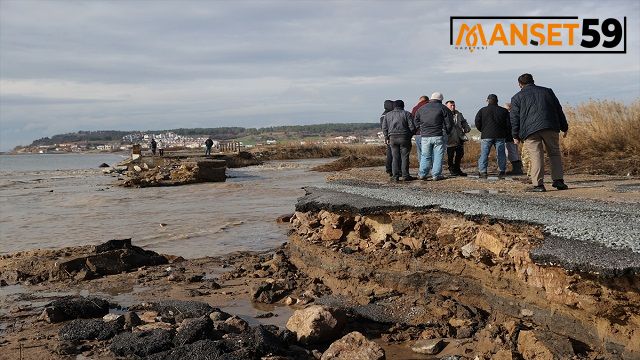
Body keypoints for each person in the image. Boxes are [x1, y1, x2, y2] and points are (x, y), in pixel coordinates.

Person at [510, 73, 569, 192]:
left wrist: (515, 135)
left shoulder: (516, 97)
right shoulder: (548, 92)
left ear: (520, 85)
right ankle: (558, 181)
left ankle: (538, 185)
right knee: (554, 154)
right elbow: (558, 109)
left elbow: (514, 118)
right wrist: (564, 127)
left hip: (530, 131)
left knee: (536, 156)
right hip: (550, 126)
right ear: (533, 81)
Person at [414, 92, 453, 181]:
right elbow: (449, 123)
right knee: (438, 156)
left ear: (431, 99)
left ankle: (422, 174)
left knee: (425, 155)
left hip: (425, 136)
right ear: (441, 100)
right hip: (438, 135)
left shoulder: (421, 109)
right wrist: (447, 132)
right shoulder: (443, 108)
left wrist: (421, 130)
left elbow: (416, 122)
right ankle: (436, 175)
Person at [475, 94, 510, 179]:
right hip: (500, 135)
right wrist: (505, 132)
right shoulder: (504, 111)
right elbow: (508, 124)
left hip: (486, 135)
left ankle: (483, 171)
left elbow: (477, 122)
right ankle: (502, 171)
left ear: (487, 100)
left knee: (484, 153)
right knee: (501, 154)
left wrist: (482, 130)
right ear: (497, 101)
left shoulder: (482, 110)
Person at [382, 100, 416, 181]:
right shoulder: (407, 114)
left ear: (394, 106)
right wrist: (410, 135)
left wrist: (386, 137)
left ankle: (395, 176)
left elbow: (384, 127)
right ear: (403, 106)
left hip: (392, 138)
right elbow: (412, 127)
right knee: (405, 157)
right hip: (404, 137)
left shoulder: (387, 115)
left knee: (395, 157)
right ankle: (405, 175)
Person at [445, 100, 471, 176]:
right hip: (450, 138)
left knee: (460, 154)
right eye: (451, 105)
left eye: (454, 105)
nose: (453, 107)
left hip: (459, 137)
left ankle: (457, 168)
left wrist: (467, 128)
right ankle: (451, 169)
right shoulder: (444, 114)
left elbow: (463, 122)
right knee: (450, 155)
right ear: (447, 106)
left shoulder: (458, 114)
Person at [503, 103, 524, 175]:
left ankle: (517, 170)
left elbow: (508, 126)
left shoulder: (508, 116)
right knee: (514, 152)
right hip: (514, 136)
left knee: (511, 153)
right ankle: (518, 168)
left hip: (509, 136)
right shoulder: (515, 115)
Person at [411, 96, 429, 163]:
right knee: (430, 151)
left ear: (420, 100)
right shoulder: (431, 107)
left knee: (420, 151)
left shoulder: (415, 108)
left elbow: (412, 121)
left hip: (419, 133)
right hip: (430, 132)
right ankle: (431, 167)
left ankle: (422, 168)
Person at [380, 100, 395, 177]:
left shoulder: (383, 115)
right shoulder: (389, 115)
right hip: (391, 136)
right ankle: (391, 169)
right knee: (392, 154)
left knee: (390, 154)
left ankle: (389, 169)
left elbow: (383, 128)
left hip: (388, 136)